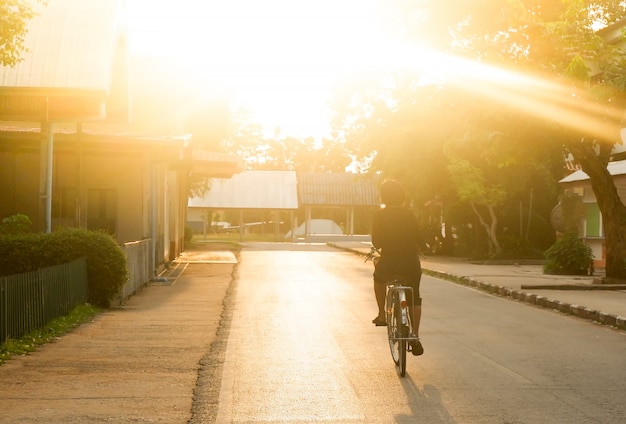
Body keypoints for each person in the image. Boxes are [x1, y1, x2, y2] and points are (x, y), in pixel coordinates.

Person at [371, 179, 425, 356]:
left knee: (378, 278)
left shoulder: (380, 215)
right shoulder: (409, 214)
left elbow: (376, 242)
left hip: (389, 262)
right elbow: (419, 236)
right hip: (410, 263)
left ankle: (381, 314)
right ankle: (415, 335)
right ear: (402, 195)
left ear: (384, 196)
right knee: (414, 296)